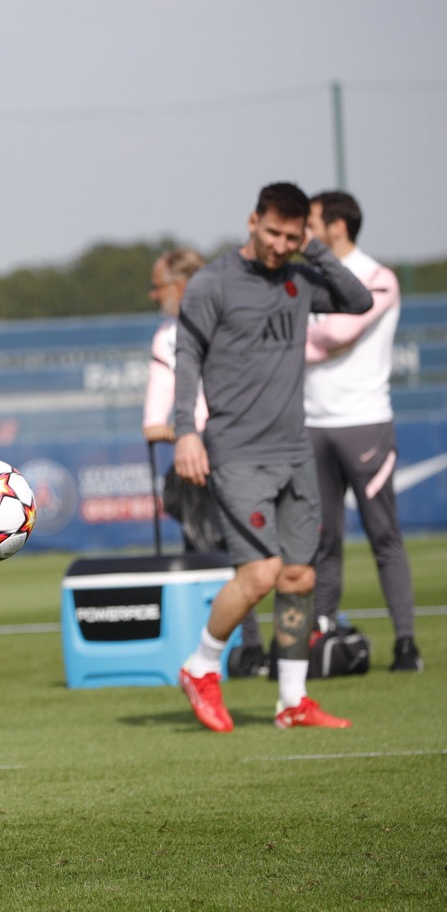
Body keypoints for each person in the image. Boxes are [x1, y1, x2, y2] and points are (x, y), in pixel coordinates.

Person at [172, 182, 372, 732]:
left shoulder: (302, 276)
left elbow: (359, 301)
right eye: (273, 232)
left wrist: (319, 252)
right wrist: (186, 431)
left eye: (292, 235)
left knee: (299, 578)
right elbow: (185, 356)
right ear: (251, 221)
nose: (281, 244)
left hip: (294, 451)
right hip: (235, 453)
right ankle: (201, 665)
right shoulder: (212, 282)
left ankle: (291, 701)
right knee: (260, 573)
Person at [305, 190, 421, 672]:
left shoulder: (379, 277)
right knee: (321, 541)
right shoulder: (304, 279)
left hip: (365, 422)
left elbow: (338, 334)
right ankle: (322, 638)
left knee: (382, 535)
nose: (300, 231)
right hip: (311, 423)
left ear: (336, 227)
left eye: (309, 220)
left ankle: (406, 644)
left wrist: (290, 341)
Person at [143, 248, 266, 676]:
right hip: (230, 449)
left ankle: (241, 649)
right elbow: (152, 422)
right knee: (229, 551)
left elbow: (155, 422)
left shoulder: (176, 333)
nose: (152, 295)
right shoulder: (182, 332)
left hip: (225, 452)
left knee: (232, 553)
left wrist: (180, 430)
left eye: (157, 287)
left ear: (180, 286)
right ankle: (237, 649)